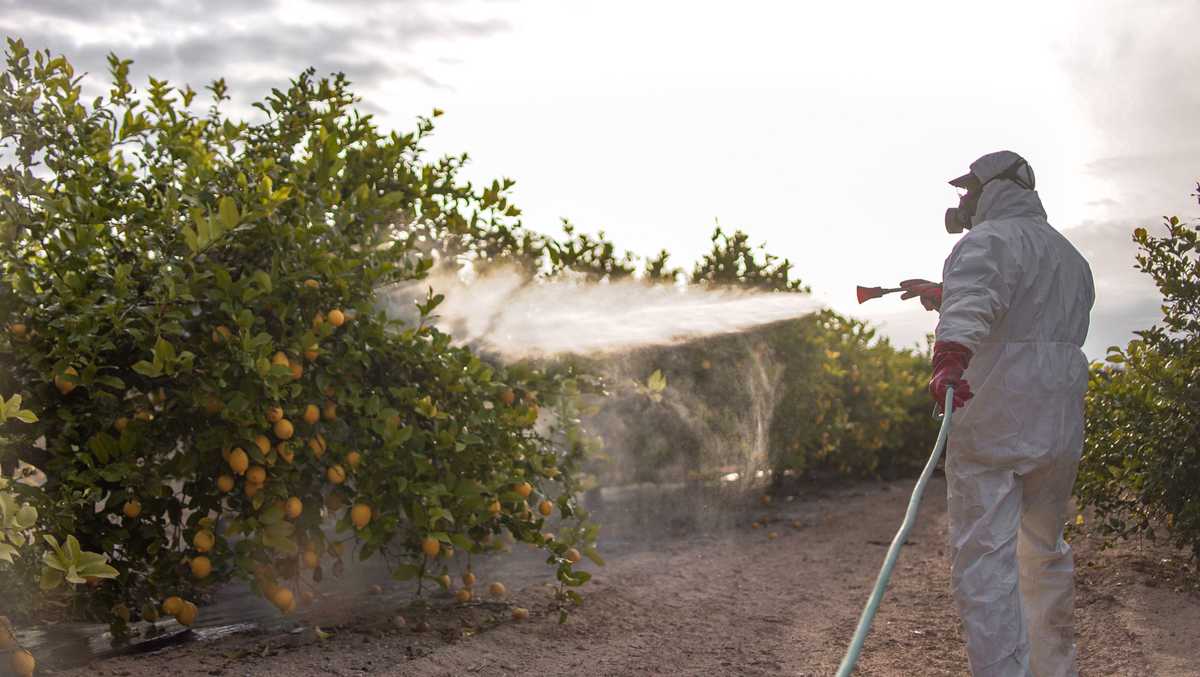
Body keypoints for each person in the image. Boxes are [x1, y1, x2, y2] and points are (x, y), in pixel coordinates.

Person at [899, 151, 1095, 677]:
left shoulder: (984, 241)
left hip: (995, 425)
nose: (962, 200)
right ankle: (1053, 670)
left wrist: (947, 363)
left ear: (999, 188)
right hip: (1055, 430)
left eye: (969, 190)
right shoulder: (1069, 256)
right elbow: (1029, 315)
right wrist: (945, 293)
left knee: (985, 563)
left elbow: (974, 310)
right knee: (1043, 556)